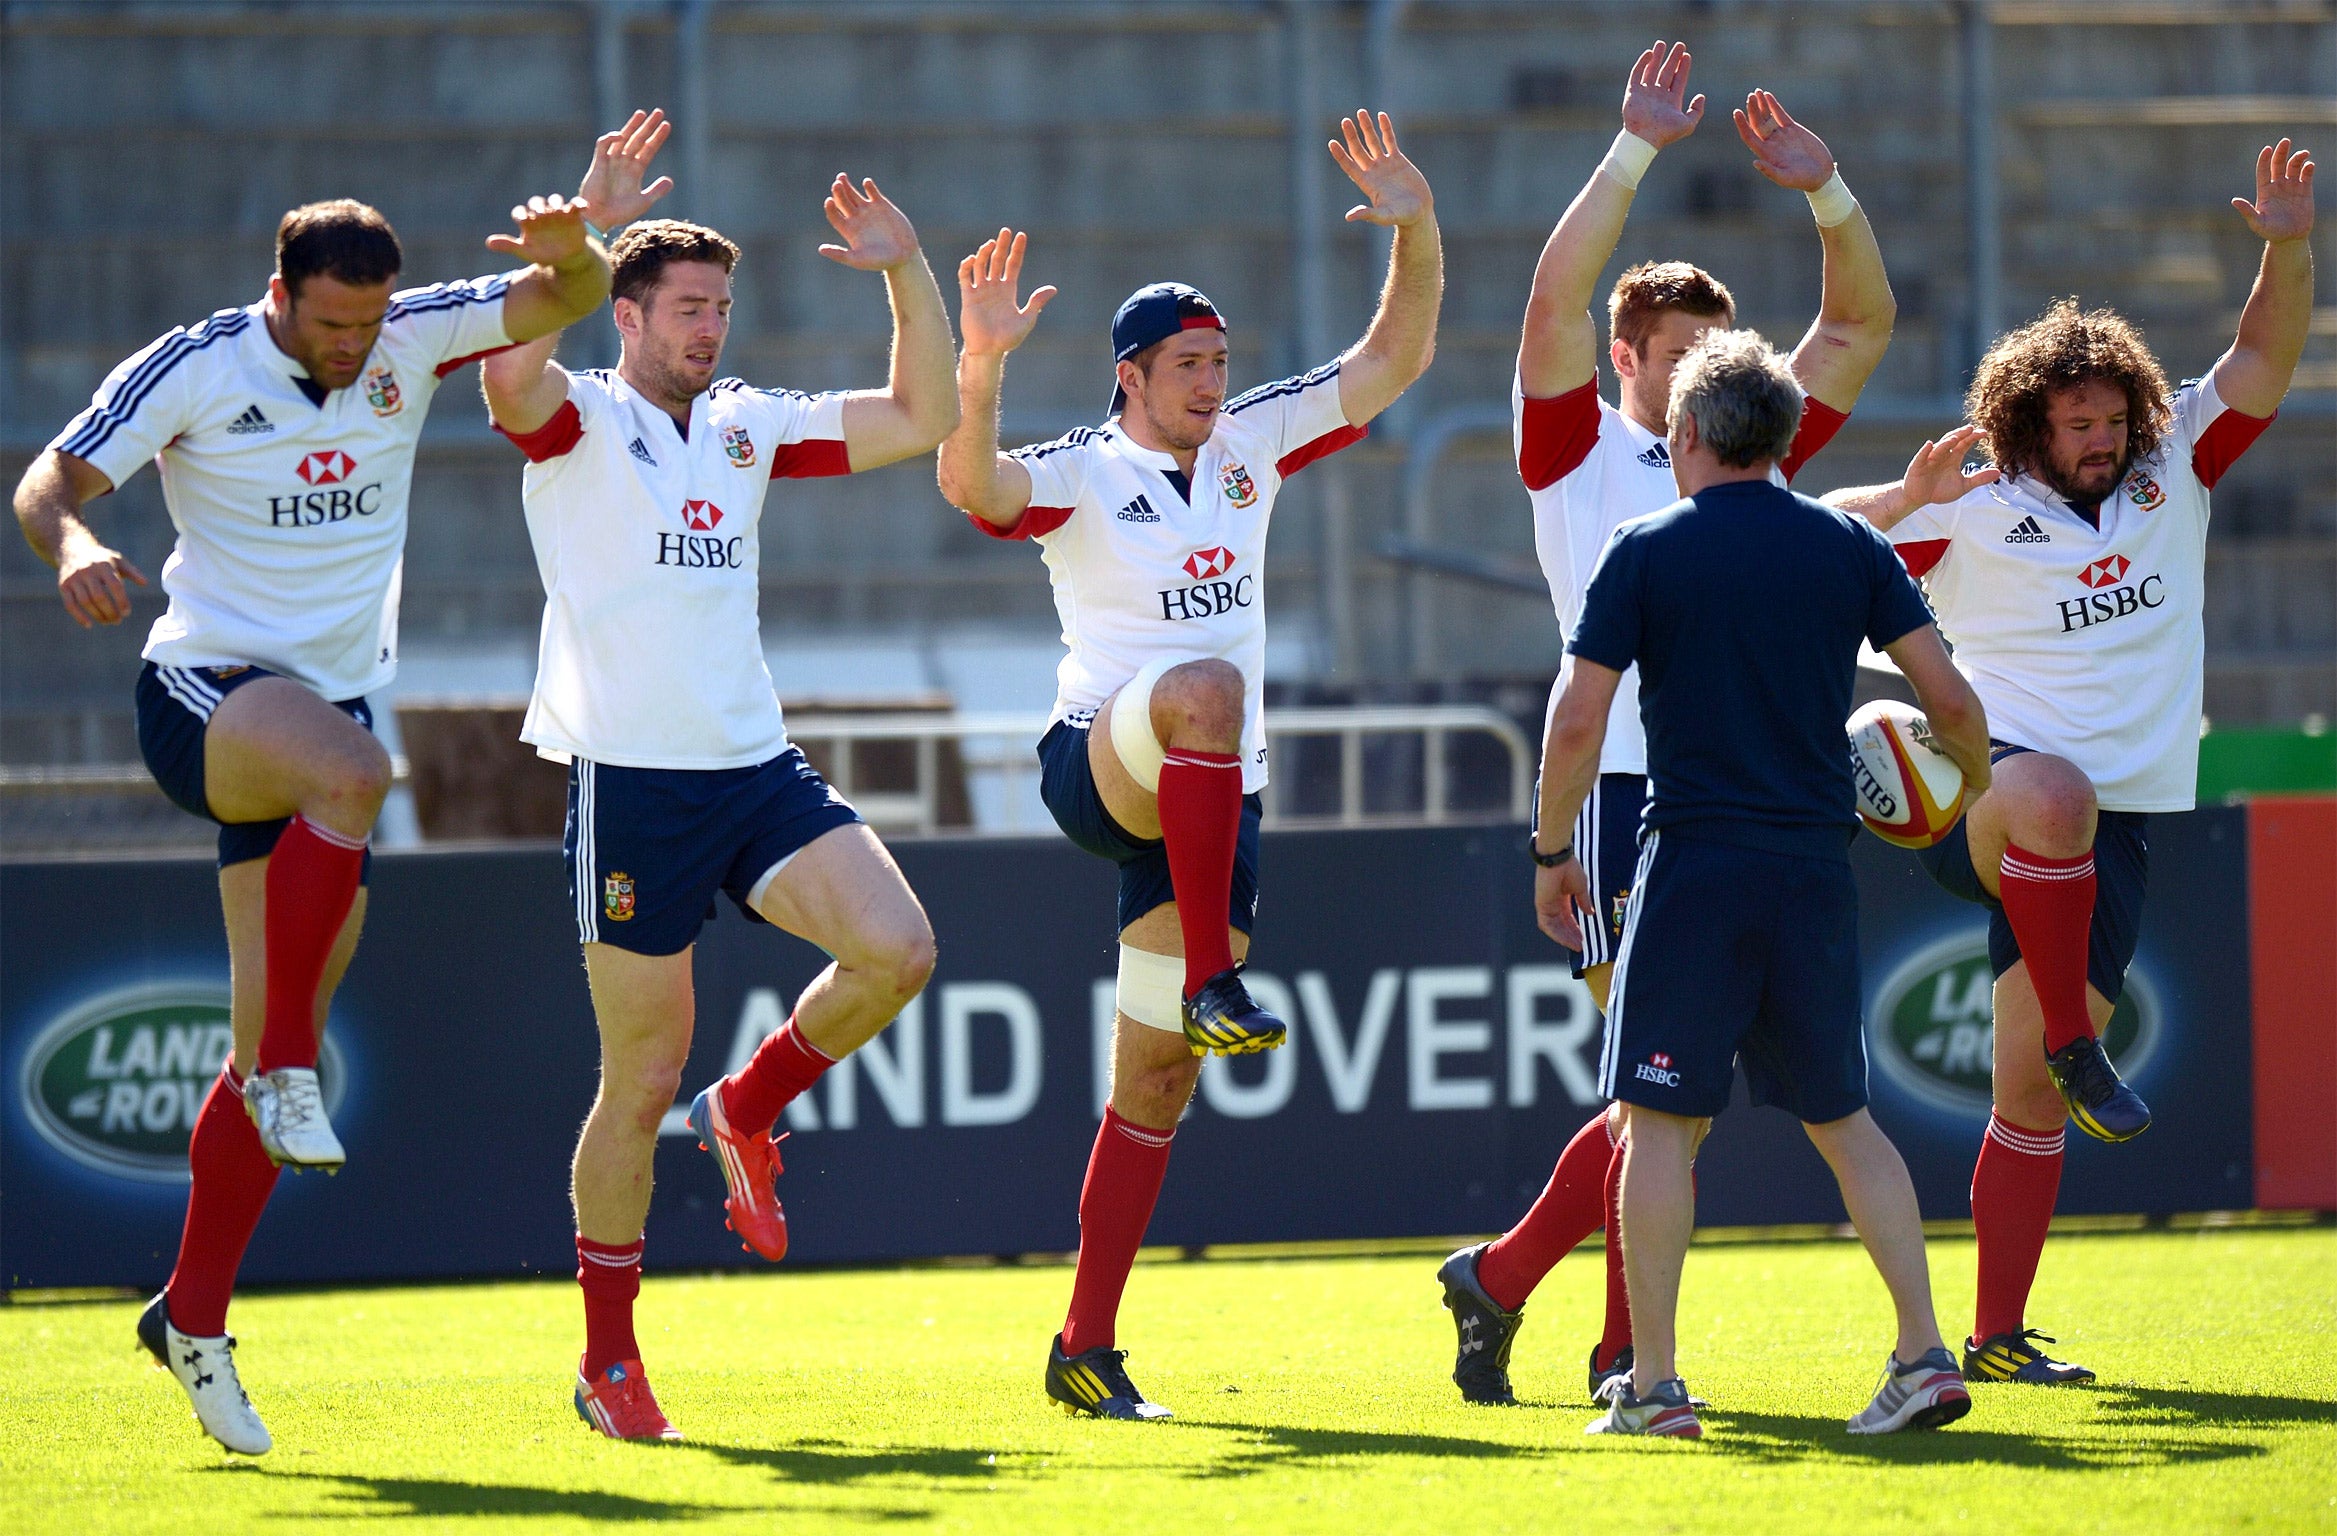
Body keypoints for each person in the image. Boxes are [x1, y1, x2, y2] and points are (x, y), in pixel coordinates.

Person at [9, 112, 674, 1457]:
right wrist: (75, 543)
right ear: (279, 295)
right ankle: (293, 1078)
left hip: (322, 723)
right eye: (329, 321)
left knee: (266, 1033)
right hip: (206, 695)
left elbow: (570, 298)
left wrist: (582, 242)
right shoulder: (198, 362)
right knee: (358, 771)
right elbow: (47, 480)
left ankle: (192, 1315)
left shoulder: (413, 334)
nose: (354, 342)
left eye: (368, 319)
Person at [935, 110, 1440, 1420]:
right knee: (1207, 688)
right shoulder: (1082, 472)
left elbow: (1393, 361)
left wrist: (1418, 229)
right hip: (1098, 766)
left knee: (1154, 1079)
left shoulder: (1254, 444)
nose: (1214, 383)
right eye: (1187, 364)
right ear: (1128, 376)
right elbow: (974, 491)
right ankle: (1218, 973)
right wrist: (980, 364)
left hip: (1212, 802)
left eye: (1220, 360)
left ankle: (1083, 1348)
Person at [1438, 40, 1897, 1411]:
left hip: (1743, 798)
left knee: (1663, 1096)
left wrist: (1829, 197)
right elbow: (1546, 297)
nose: (1710, 375)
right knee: (1659, 1094)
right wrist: (1633, 149)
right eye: (1682, 354)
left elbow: (1861, 330)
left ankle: (1522, 1289)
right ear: (1624, 360)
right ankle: (1601, 1346)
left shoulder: (1746, 451)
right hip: (1619, 792)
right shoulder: (1573, 449)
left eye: (1723, 355)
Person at [1824, 139, 2315, 1386]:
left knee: (2027, 1101)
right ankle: (2081, 1045)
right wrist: (1901, 499)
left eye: (2112, 419)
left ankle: (1994, 1339)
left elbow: (2261, 360)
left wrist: (2287, 244)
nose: (2100, 439)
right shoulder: (1974, 502)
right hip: (1980, 800)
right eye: (2075, 422)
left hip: (2114, 835)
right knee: (2050, 790)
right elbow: (1803, 537)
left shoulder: (2176, 469)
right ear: (2023, 424)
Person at [481, 173, 958, 1441]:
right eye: (688, 307)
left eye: (722, 309)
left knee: (900, 950)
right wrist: (571, 242)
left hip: (752, 769)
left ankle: (747, 1107)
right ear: (625, 314)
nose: (711, 328)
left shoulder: (747, 425)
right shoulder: (578, 416)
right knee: (637, 1080)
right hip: (632, 786)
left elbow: (925, 413)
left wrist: (907, 270)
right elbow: (505, 383)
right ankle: (608, 1362)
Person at [1541, 331, 1989, 1438]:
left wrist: (1553, 854)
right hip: (1813, 871)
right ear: (1786, 437)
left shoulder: (1645, 546)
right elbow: (1953, 699)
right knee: (1846, 1122)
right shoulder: (1846, 546)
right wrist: (1965, 784)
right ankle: (1925, 1354)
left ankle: (1652, 1387)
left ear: (1685, 434)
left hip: (1694, 864)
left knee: (1653, 1122)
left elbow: (1577, 719)